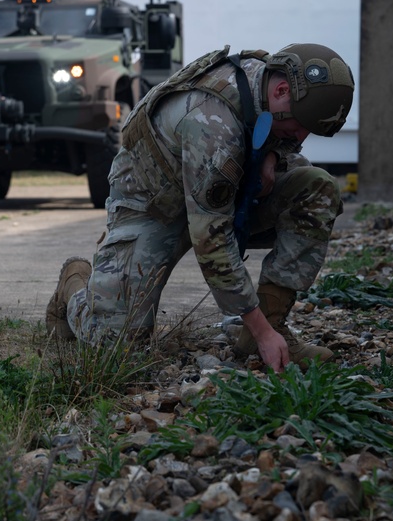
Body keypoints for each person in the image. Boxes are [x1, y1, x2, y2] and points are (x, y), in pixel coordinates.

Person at [45, 43, 355, 372]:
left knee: (316, 188)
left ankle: (271, 326)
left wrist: (273, 154)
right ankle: (74, 284)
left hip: (220, 197)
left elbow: (278, 135)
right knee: (117, 351)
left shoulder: (266, 79)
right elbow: (212, 242)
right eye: (299, 125)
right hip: (152, 209)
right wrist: (258, 328)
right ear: (281, 90)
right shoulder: (212, 124)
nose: (301, 136)